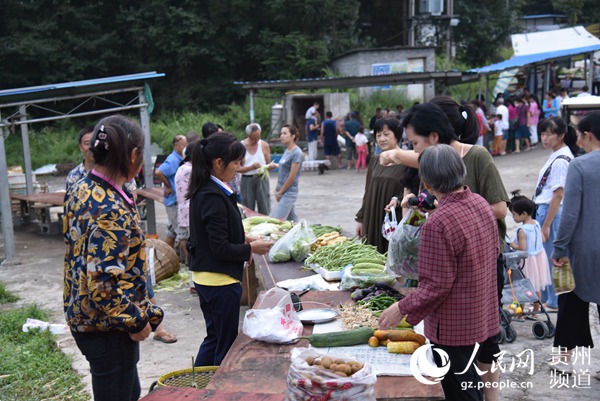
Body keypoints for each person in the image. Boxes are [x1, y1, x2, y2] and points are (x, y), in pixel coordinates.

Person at [385, 103, 509, 401]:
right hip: (481, 313)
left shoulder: (439, 222)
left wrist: (400, 309)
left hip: (453, 327)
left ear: (426, 182)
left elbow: (435, 286)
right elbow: (490, 254)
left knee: (461, 390)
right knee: (473, 385)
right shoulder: (480, 203)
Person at [64, 115, 165, 401]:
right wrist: (137, 320)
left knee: (128, 391)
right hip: (108, 326)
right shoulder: (110, 207)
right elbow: (103, 285)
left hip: (85, 315)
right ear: (134, 155)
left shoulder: (82, 187)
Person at [186, 133, 272, 366]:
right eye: (235, 162)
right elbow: (219, 248)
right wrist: (250, 248)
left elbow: (211, 234)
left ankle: (197, 386)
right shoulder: (212, 195)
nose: (239, 167)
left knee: (214, 338)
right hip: (219, 281)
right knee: (226, 345)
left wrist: (244, 237)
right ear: (218, 163)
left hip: (207, 277)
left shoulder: (206, 188)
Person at [550, 111, 600, 376]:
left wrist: (559, 247)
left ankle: (564, 360)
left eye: (579, 135)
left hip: (581, 250)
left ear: (588, 135)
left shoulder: (579, 166)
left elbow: (569, 214)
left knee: (570, 302)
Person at [534, 117, 579, 311]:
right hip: (547, 211)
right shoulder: (558, 154)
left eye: (548, 134)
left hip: (550, 212)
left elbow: (558, 195)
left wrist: (545, 224)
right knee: (550, 256)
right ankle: (551, 298)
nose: (544, 138)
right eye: (542, 134)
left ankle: (553, 300)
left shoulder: (561, 160)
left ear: (561, 135)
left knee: (552, 257)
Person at [355, 118, 418, 254]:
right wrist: (361, 219)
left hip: (394, 218)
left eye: (386, 134)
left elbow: (413, 191)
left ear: (397, 135)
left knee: (393, 258)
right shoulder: (375, 161)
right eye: (378, 135)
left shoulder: (408, 161)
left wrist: (398, 200)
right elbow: (368, 191)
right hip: (373, 216)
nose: (382, 139)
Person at [508, 192, 551, 318]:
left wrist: (512, 245)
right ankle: (536, 311)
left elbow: (522, 249)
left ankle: (520, 313)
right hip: (539, 258)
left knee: (522, 287)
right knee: (536, 287)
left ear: (524, 214)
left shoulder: (522, 230)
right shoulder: (537, 224)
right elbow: (543, 239)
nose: (513, 217)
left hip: (527, 262)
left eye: (514, 214)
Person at [155, 134, 187, 249]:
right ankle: (188, 261)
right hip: (173, 201)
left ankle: (167, 254)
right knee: (181, 233)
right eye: (183, 145)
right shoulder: (173, 159)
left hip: (174, 200)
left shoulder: (180, 159)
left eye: (186, 144)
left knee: (171, 231)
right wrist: (168, 186)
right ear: (176, 145)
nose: (185, 147)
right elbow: (159, 172)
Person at [239, 123, 275, 215]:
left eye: (258, 137)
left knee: (264, 206)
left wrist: (270, 166)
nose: (256, 140)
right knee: (247, 207)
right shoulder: (241, 146)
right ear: (248, 136)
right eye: (253, 138)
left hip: (262, 178)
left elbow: (268, 164)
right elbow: (237, 168)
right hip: (247, 179)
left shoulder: (264, 145)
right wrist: (251, 167)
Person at [270, 125, 303, 222]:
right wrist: (277, 188)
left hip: (289, 192)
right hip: (282, 190)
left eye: (285, 133)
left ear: (293, 136)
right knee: (294, 221)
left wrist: (280, 193)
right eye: (281, 133)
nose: (282, 136)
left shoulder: (297, 153)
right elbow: (282, 170)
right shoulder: (287, 151)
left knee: (277, 220)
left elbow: (292, 177)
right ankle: (304, 234)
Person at [175, 142, 195, 292]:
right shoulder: (191, 170)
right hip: (190, 212)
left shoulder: (181, 168)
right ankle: (194, 283)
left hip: (183, 211)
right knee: (194, 247)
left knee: (188, 245)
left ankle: (192, 282)